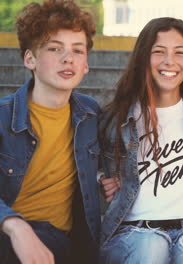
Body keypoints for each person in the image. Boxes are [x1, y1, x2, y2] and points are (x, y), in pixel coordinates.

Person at [98, 17, 183, 263]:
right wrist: (102, 178)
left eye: (179, 52)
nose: (169, 61)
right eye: (159, 52)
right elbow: (86, 159)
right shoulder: (117, 117)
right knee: (154, 244)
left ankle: (182, 256)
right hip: (135, 234)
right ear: (144, 57)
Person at [0, 0, 100, 263]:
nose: (68, 58)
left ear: (86, 65)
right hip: (8, 230)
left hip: (55, 239)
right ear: (29, 59)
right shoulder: (2, 117)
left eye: (77, 51)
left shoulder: (91, 116)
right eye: (55, 48)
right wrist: (15, 226)